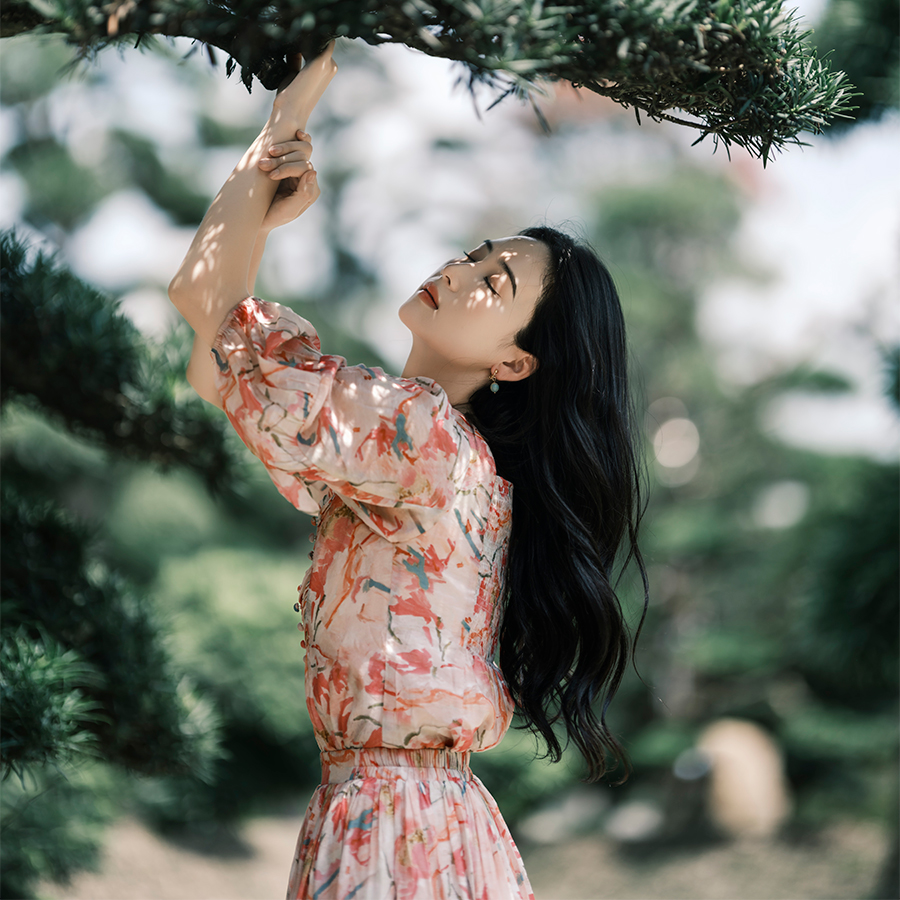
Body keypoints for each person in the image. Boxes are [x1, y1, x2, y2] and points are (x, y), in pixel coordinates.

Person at [169, 42, 648, 900]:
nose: (459, 272)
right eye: (474, 254)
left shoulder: (419, 435)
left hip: (393, 826)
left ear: (515, 363)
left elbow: (205, 311)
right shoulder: (439, 455)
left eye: (493, 283)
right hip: (433, 821)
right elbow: (218, 361)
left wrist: (285, 117)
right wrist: (260, 221)